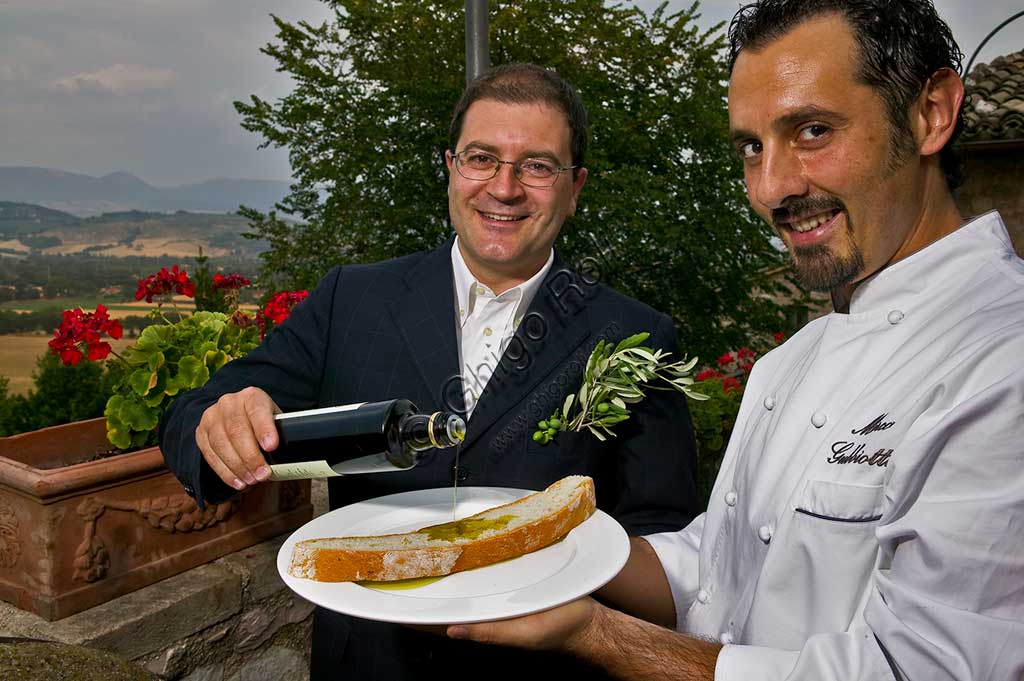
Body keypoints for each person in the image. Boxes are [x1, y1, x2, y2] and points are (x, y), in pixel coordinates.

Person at [445, 2, 1024, 679]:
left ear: (931, 112)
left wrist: (597, 634)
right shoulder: (789, 363)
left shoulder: (1002, 357)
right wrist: (542, 529)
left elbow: (922, 671)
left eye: (812, 130)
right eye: (752, 146)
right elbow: (712, 567)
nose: (771, 187)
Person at [159, 63, 700, 680]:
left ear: (575, 188)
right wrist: (218, 421)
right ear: (450, 168)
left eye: (538, 166)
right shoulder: (351, 298)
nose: (504, 187)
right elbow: (189, 416)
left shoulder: (635, 336)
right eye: (481, 158)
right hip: (367, 665)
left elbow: (666, 543)